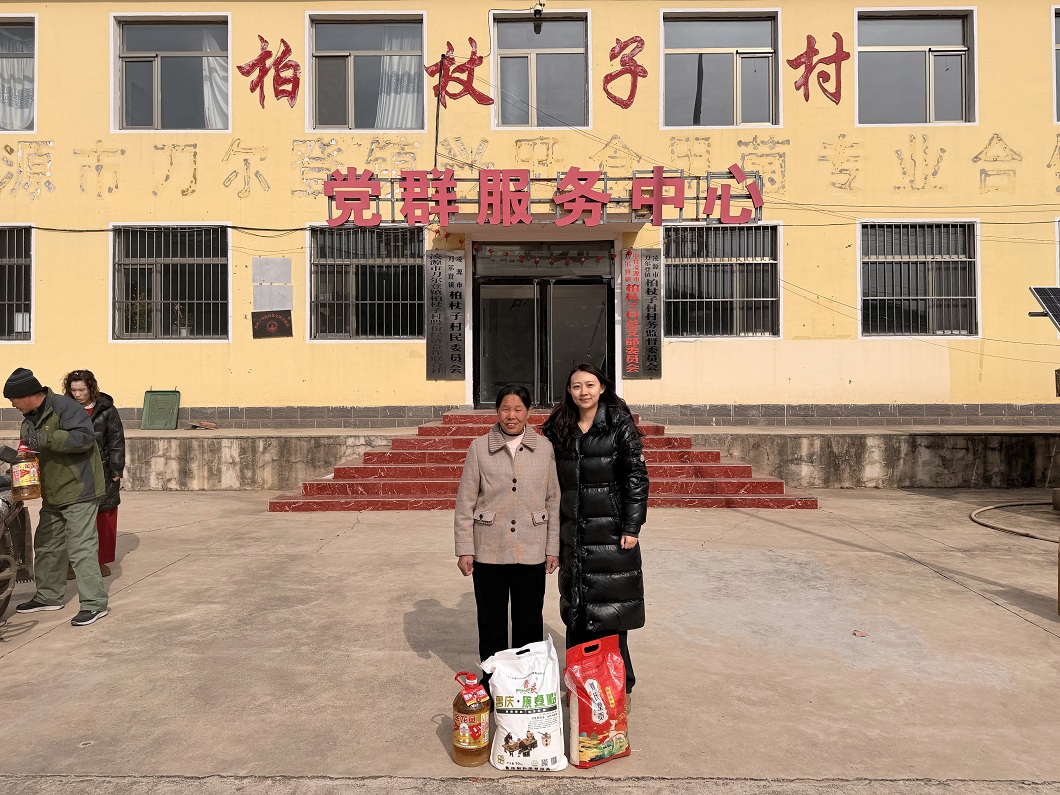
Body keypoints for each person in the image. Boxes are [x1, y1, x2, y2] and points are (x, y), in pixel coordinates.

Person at [542, 363, 648, 695]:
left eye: (590, 385)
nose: (583, 392)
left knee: (610, 612)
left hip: (611, 532)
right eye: (576, 386)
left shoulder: (619, 425)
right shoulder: (560, 428)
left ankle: (619, 689)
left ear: (602, 388)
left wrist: (632, 525)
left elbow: (636, 478)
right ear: (568, 391)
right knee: (576, 608)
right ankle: (580, 688)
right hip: (572, 532)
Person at [454, 385, 561, 687]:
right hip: (489, 549)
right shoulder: (479, 448)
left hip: (531, 549)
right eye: (505, 409)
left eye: (518, 409)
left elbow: (553, 500)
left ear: (529, 412)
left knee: (529, 622)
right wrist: (465, 549)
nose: (511, 416)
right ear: (497, 411)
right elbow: (465, 502)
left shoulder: (544, 449)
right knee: (491, 623)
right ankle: (493, 684)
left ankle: (525, 686)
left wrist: (552, 548)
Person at [2, 367, 109, 626]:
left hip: (79, 489)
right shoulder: (28, 421)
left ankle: (94, 603)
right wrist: (14, 473)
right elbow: (30, 456)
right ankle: (49, 596)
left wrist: (48, 439)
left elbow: (84, 438)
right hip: (52, 492)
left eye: (13, 399)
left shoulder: (65, 407)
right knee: (47, 544)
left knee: (81, 547)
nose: (12, 404)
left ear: (28, 395)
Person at [62, 370, 125, 579]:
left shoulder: (107, 410)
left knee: (104, 515)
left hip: (103, 468)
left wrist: (116, 468)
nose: (77, 394)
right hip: (73, 469)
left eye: (82, 390)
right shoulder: (64, 410)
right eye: (73, 390)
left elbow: (116, 441)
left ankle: (100, 561)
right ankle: (71, 563)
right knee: (73, 518)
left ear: (91, 388)